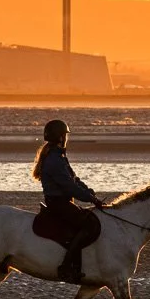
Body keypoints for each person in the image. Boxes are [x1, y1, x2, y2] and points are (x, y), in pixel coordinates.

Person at [32, 118, 104, 283]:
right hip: (59, 203)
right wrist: (91, 199)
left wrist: (89, 192)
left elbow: (74, 179)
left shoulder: (59, 155)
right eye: (65, 135)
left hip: (63, 202)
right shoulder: (54, 159)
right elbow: (69, 186)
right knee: (88, 224)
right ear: (60, 137)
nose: (67, 138)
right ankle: (66, 266)